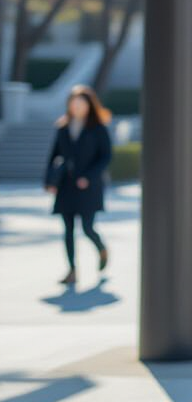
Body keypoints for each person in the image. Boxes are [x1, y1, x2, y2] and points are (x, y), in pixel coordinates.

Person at [44, 85, 113, 286]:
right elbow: (54, 155)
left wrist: (89, 177)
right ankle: (72, 270)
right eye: (73, 104)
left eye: (80, 103)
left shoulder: (98, 128)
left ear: (89, 105)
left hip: (88, 186)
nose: (76, 107)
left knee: (88, 227)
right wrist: (49, 181)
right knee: (67, 229)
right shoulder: (63, 127)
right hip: (66, 184)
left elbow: (106, 156)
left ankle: (101, 248)